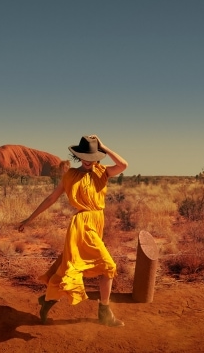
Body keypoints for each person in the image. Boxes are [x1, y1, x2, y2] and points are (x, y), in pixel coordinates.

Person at [17, 135, 128, 326]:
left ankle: (47, 301)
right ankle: (105, 313)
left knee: (72, 266)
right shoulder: (70, 175)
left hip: (97, 222)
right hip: (81, 225)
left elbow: (124, 165)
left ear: (97, 157)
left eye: (92, 156)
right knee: (107, 266)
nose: (87, 159)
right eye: (84, 155)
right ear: (78, 156)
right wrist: (29, 219)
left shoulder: (103, 172)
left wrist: (104, 146)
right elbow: (51, 198)